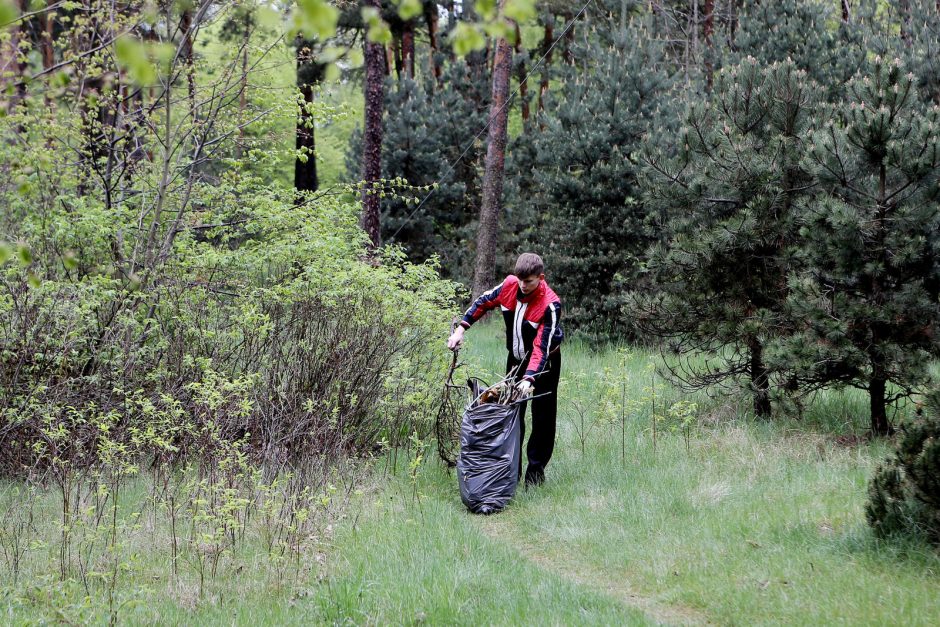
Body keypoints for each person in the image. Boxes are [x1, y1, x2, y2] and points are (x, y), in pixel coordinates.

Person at [447, 253, 563, 486]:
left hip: (545, 365)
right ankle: (511, 471)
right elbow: (483, 301)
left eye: (528, 281)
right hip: (516, 361)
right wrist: (461, 329)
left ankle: (535, 474)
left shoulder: (550, 304)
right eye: (520, 279)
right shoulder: (510, 285)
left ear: (541, 278)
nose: (523, 285)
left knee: (543, 418)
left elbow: (541, 347)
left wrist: (529, 379)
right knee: (511, 414)